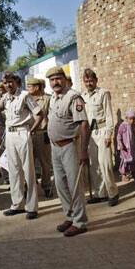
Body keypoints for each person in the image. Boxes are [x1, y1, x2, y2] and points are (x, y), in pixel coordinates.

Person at [46, 66, 90, 237]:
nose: (55, 82)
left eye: (58, 78)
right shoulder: (53, 98)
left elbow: (84, 124)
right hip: (55, 147)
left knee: (74, 185)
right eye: (52, 80)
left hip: (70, 146)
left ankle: (80, 222)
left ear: (64, 79)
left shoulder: (74, 97)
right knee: (61, 185)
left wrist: (83, 151)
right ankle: (70, 216)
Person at [0, 72, 43, 220]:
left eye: (10, 82)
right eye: (5, 83)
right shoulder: (5, 98)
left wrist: (32, 130)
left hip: (23, 133)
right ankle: (17, 204)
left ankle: (31, 207)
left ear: (16, 82)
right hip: (10, 135)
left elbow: (39, 114)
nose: (8, 85)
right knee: (14, 171)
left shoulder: (24, 96)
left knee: (28, 171)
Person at [81, 68, 119, 206]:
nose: (89, 83)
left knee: (106, 164)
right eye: (86, 81)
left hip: (102, 130)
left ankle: (113, 192)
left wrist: (109, 133)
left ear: (96, 80)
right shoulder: (83, 96)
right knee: (94, 165)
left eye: (91, 80)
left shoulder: (103, 93)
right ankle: (100, 193)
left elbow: (109, 115)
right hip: (90, 133)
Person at [26, 77, 53, 198]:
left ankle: (47, 186)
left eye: (30, 86)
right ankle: (30, 188)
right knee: (28, 164)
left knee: (45, 163)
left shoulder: (47, 99)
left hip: (42, 134)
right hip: (27, 135)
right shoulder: (25, 99)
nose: (27, 89)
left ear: (36, 87)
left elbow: (51, 117)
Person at [117, 109, 135, 185]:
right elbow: (118, 136)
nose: (132, 121)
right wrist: (120, 144)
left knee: (134, 162)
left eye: (134, 119)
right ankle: (123, 175)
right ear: (126, 118)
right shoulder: (122, 126)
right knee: (124, 162)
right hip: (124, 148)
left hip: (133, 148)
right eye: (130, 119)